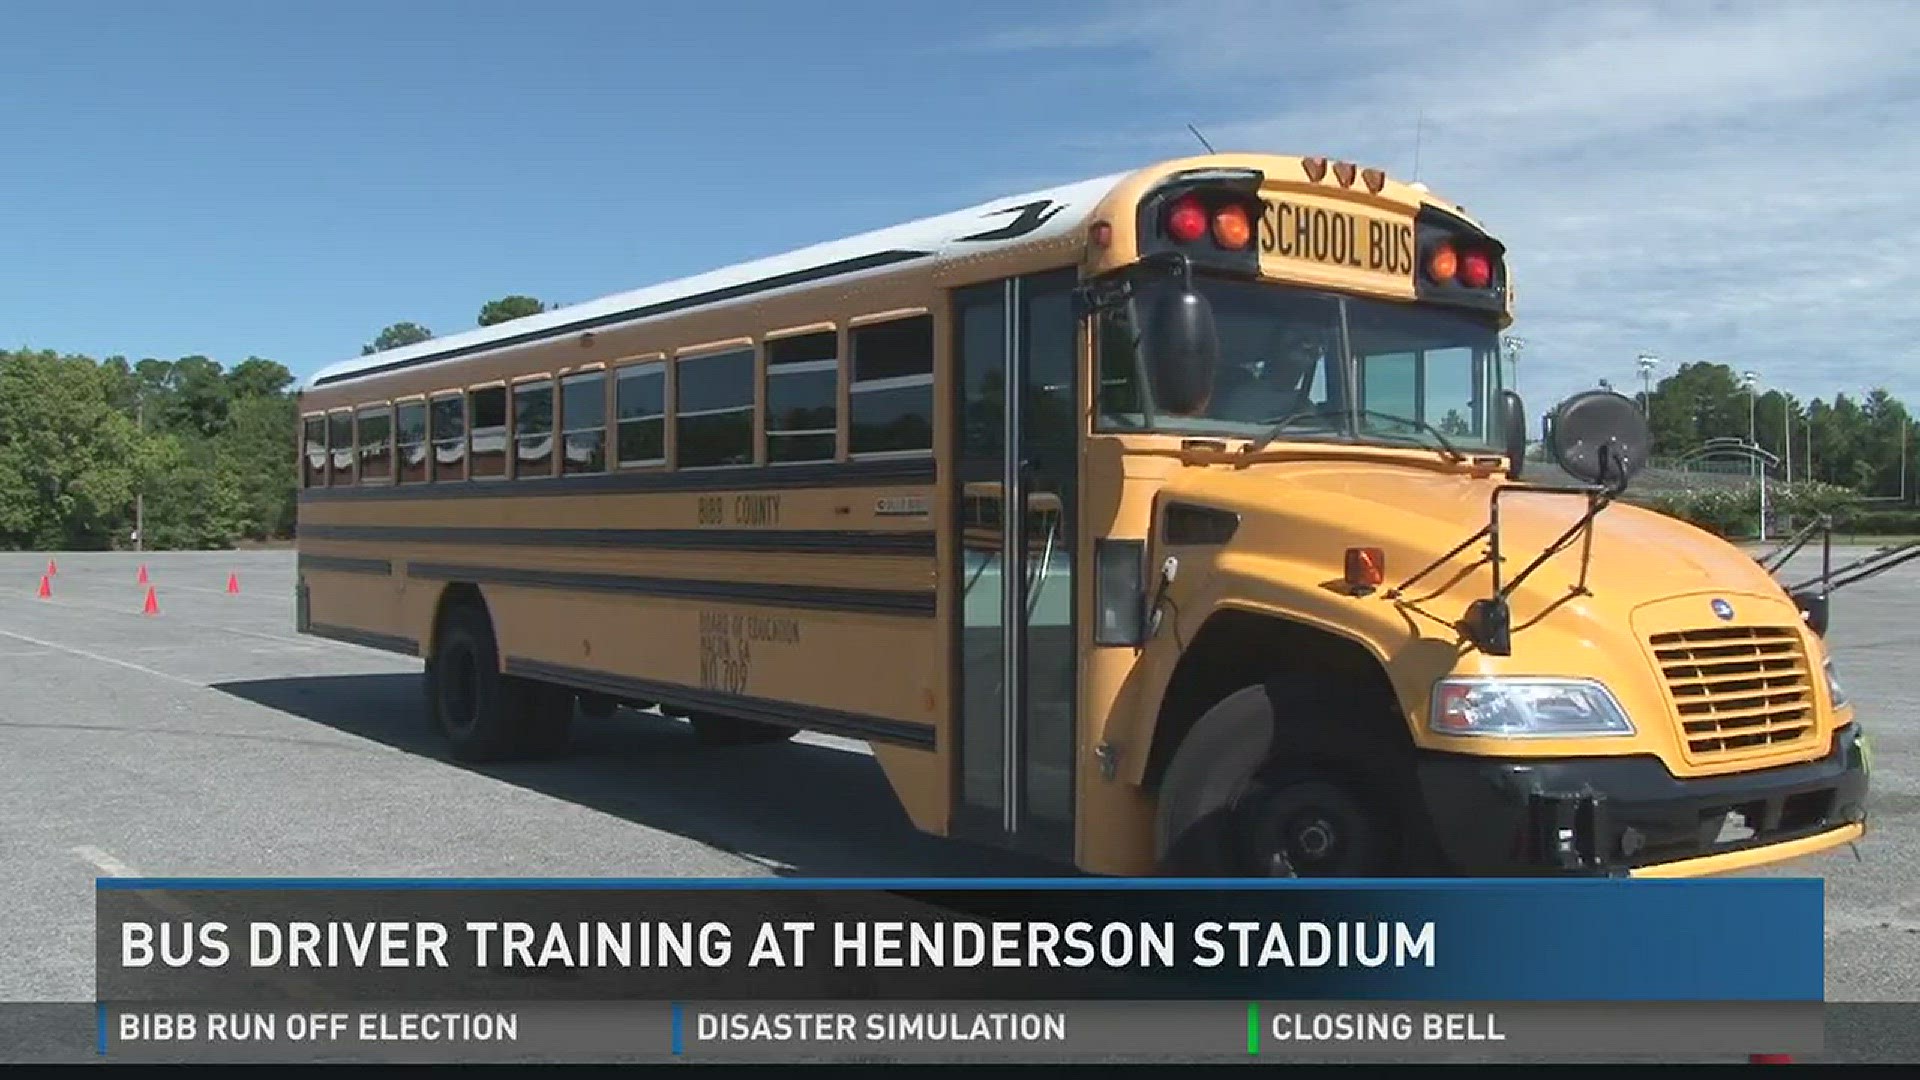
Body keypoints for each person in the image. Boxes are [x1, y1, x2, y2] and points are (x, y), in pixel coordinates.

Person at [1211, 330, 1328, 424]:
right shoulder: (1246, 398)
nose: (1307, 357)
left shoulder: (1303, 404)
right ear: (1275, 352)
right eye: (1298, 347)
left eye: (1312, 353)